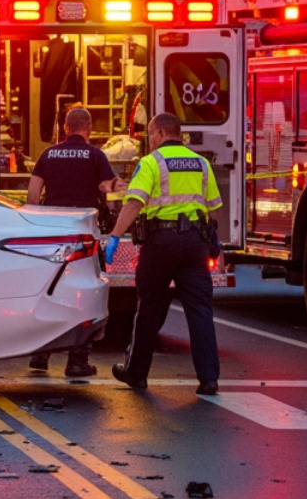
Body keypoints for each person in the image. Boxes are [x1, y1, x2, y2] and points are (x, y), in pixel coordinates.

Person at [107, 112, 224, 396]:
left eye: (150, 134)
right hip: (195, 244)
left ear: (159, 133)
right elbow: (214, 207)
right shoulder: (201, 163)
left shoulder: (151, 163)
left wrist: (114, 236)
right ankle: (208, 379)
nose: (150, 140)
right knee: (199, 310)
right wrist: (212, 238)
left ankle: (137, 373)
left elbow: (134, 203)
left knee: (148, 306)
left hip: (160, 243)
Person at [25, 106, 123, 378]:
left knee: (47, 289)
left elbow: (33, 195)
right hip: (82, 234)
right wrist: (123, 186)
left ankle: (40, 354)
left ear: (66, 128)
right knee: (83, 293)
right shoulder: (95, 155)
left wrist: (36, 226)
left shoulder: (48, 154)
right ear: (88, 128)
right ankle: (77, 361)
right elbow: (106, 186)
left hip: (51, 233)